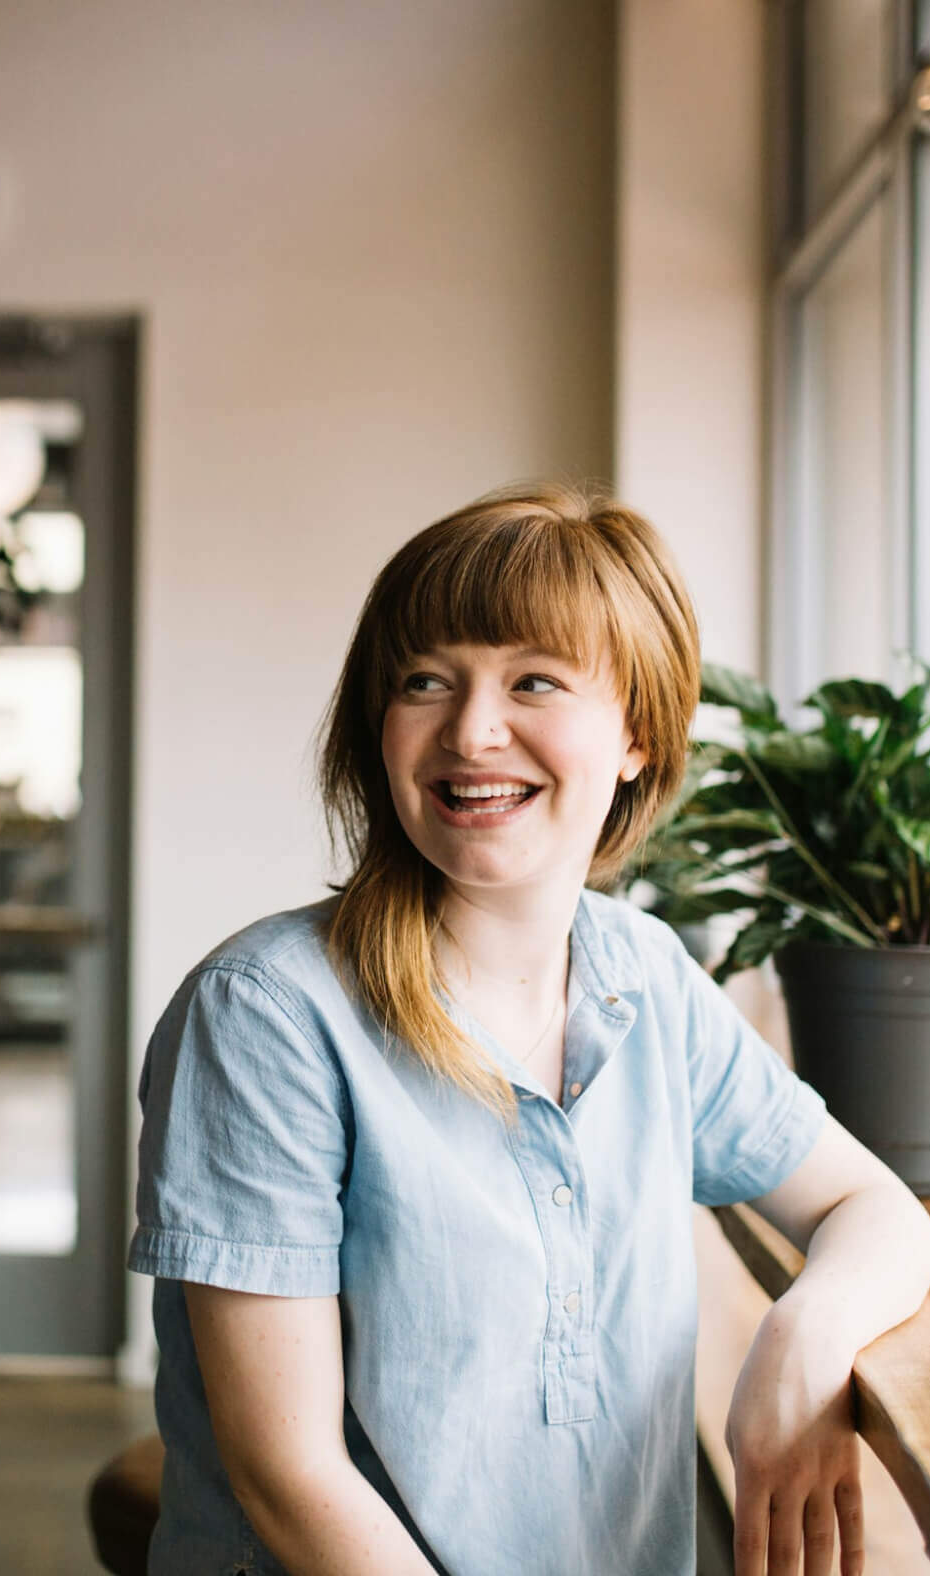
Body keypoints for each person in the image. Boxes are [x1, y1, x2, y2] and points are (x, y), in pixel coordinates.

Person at [127, 482, 930, 1576]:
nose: (470, 730)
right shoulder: (265, 1014)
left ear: (638, 733)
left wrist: (803, 1334)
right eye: (424, 681)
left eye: (532, 681)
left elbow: (873, 1205)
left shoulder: (643, 975)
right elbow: (290, 1477)